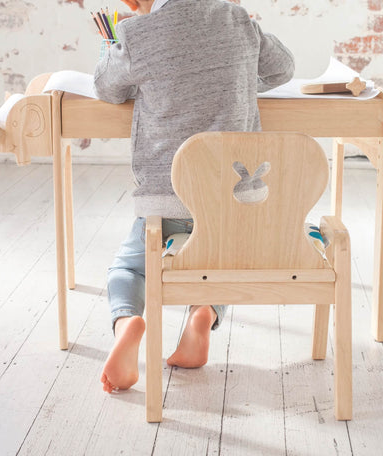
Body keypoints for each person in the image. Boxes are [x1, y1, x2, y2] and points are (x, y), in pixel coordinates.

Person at [94, 0, 294, 393]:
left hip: (162, 201)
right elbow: (283, 68)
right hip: (230, 202)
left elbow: (105, 87)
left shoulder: (137, 34)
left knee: (129, 270)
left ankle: (126, 322)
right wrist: (239, 77)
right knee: (218, 261)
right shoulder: (237, 20)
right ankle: (203, 312)